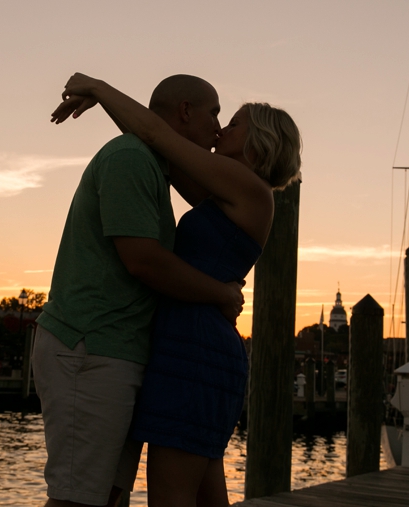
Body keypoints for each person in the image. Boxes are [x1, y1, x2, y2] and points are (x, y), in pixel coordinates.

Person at [53, 73, 301, 507]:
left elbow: (154, 132)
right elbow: (154, 140)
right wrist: (110, 105)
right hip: (187, 343)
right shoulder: (220, 190)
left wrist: (97, 87)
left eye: (235, 123)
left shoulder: (248, 189)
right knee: (204, 495)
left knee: (171, 496)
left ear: (258, 143)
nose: (222, 128)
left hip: (197, 350)